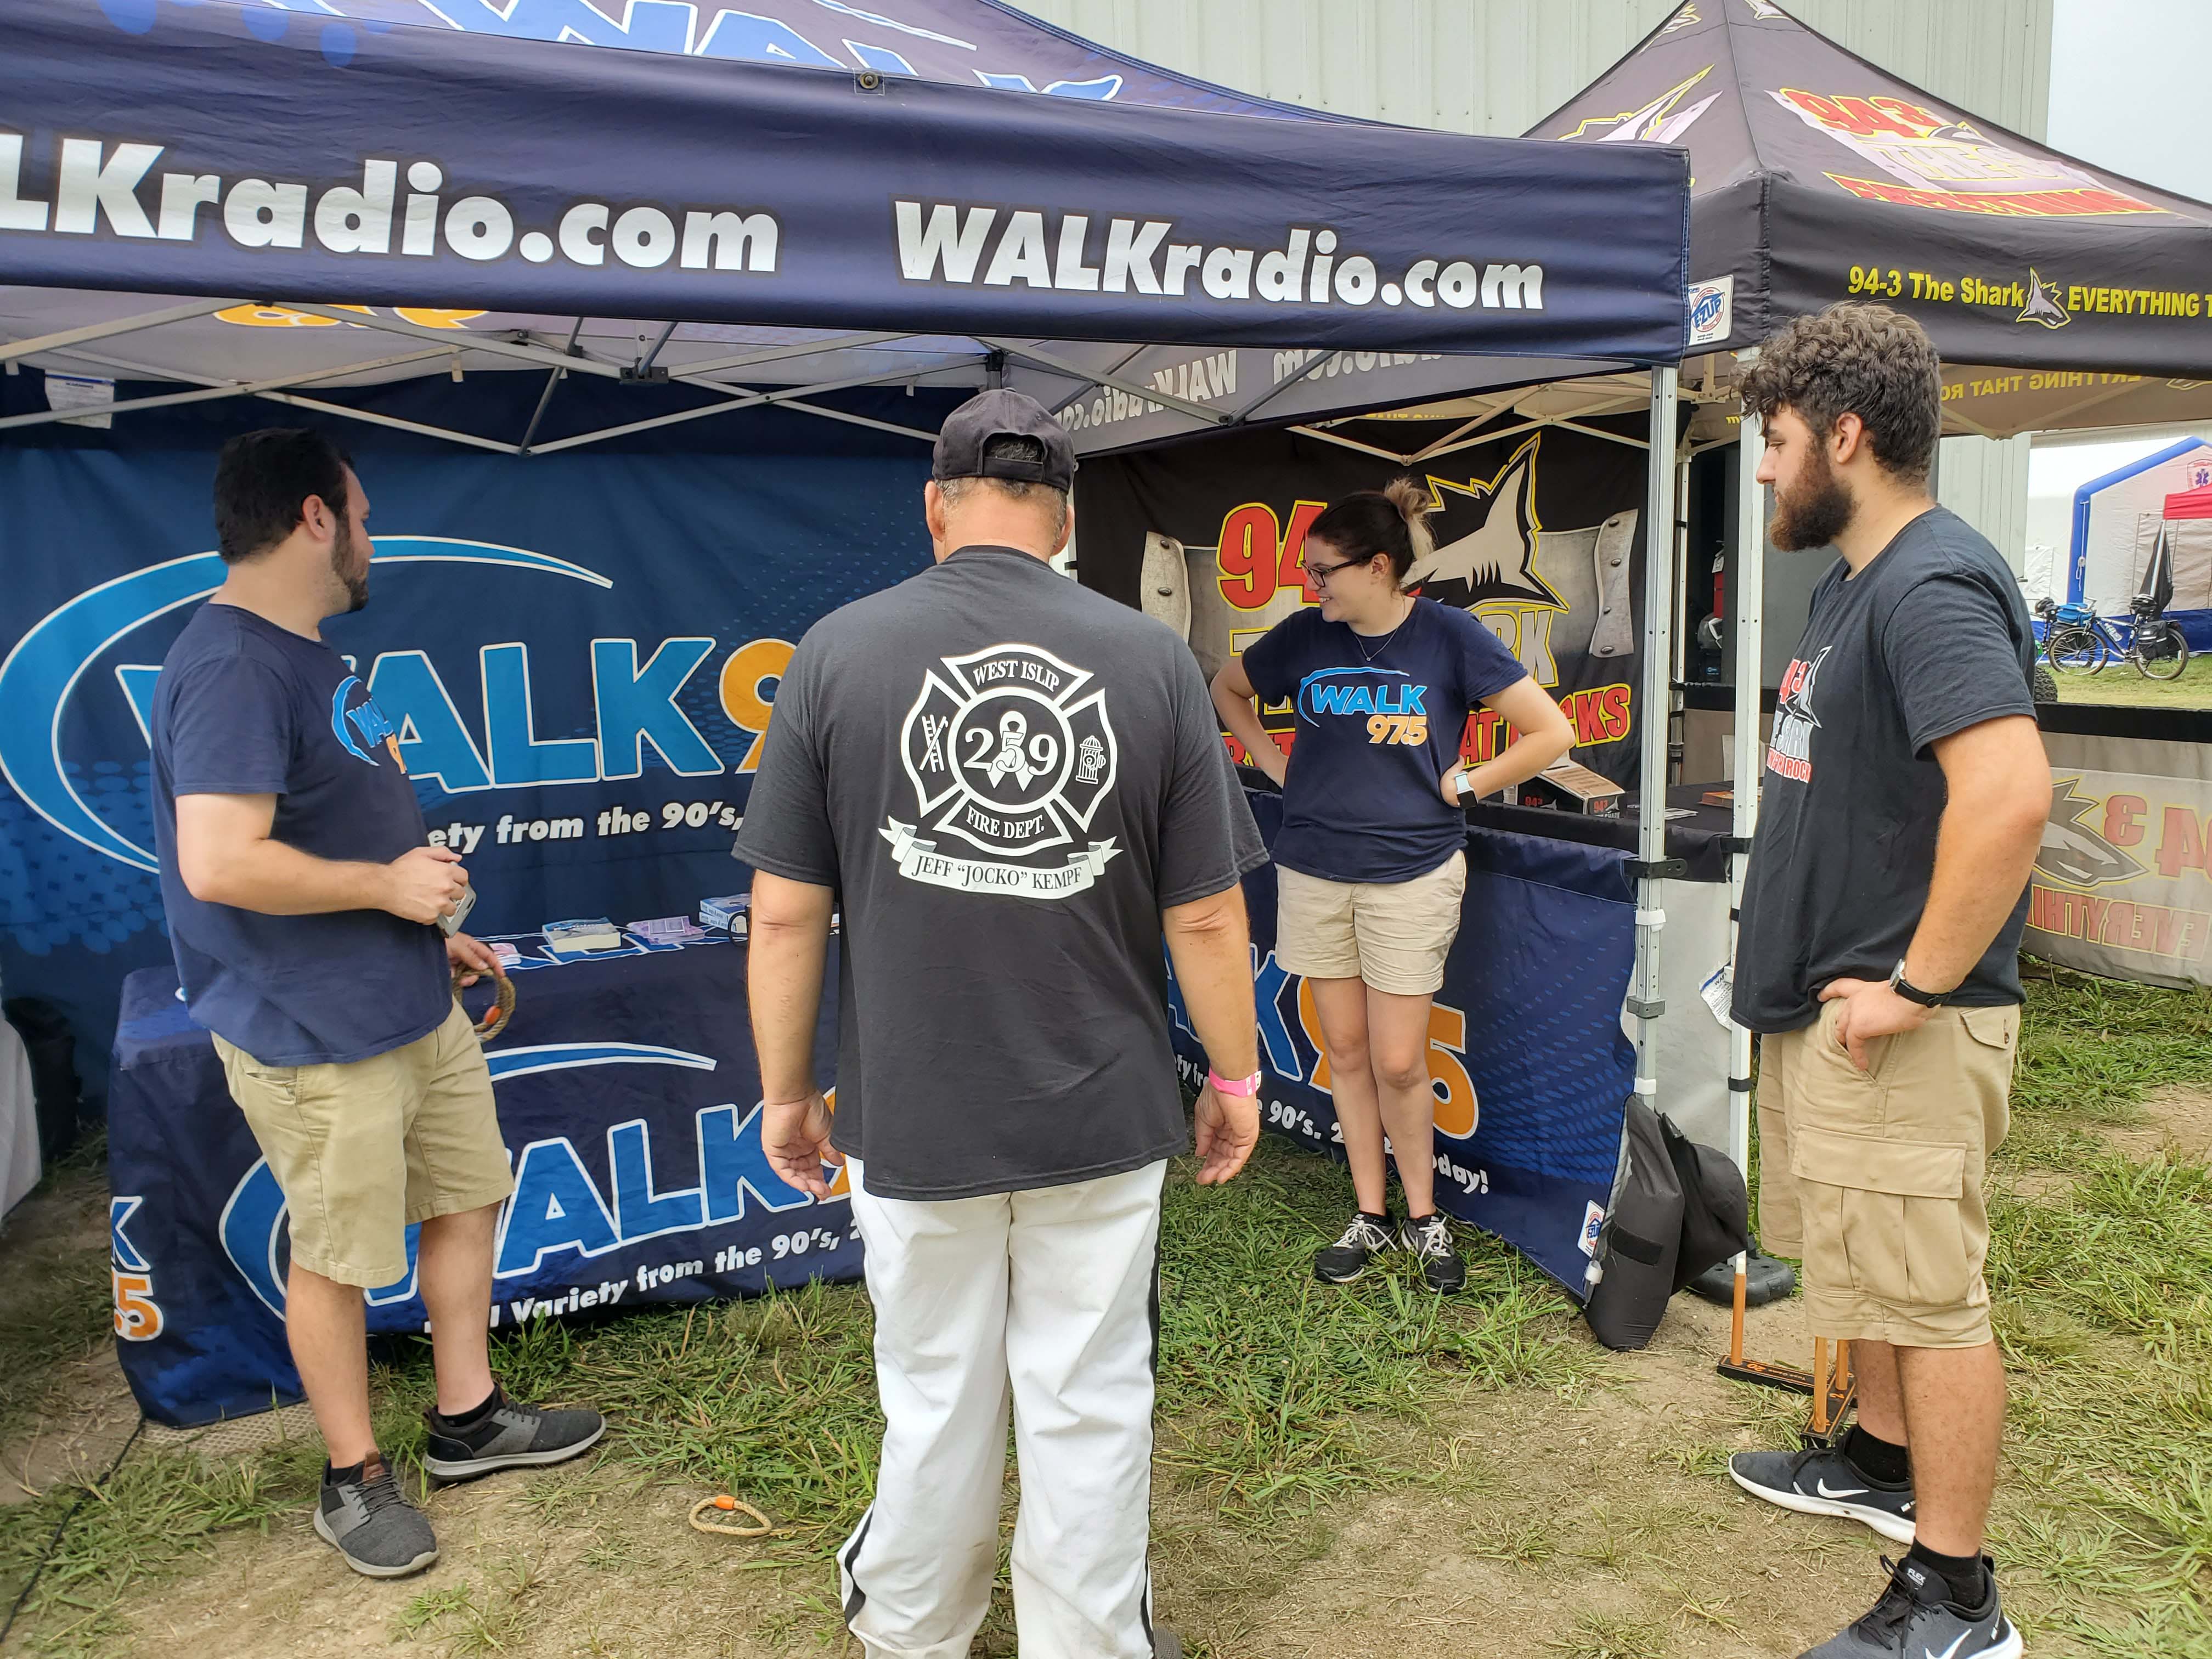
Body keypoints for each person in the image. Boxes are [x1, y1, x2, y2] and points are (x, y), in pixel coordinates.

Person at [735, 388, 1267, 1659]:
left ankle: (915, 1628)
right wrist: (1237, 1081)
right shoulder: (1153, 661)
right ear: (1066, 520)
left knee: (933, 1391)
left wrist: (790, 1092)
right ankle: (1085, 1640)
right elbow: (1206, 917)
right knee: (1090, 1396)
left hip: (914, 1110)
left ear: (935, 508)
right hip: (1099, 1108)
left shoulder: (837, 654)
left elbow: (783, 916)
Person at [150, 428, 603, 1580]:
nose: (370, 536)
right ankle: (351, 1477)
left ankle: (468, 1419)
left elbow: (328, 828)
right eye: (360, 514)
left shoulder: (301, 653)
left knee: (466, 1197)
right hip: (315, 1030)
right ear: (315, 517)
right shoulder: (234, 664)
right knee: (338, 1254)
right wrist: (388, 888)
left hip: (405, 997)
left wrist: (423, 929)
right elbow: (219, 861)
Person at [1724, 306, 2046, 1659]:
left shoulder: (1930, 584)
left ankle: (1958, 1598)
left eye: (1775, 438)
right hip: (1833, 1009)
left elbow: (2010, 796)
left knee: (1931, 1297)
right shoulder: (1858, 579)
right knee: (1871, 1271)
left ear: (1845, 436)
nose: (1760, 465)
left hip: (1902, 1026)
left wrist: (1914, 987)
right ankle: (1879, 1459)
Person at [1210, 481, 1575, 1292]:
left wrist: (1468, 782)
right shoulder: (1304, 636)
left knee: (1401, 1060)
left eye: (1324, 571)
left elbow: (1552, 730)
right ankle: (1371, 1214)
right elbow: (1228, 689)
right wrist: (1274, 764)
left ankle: (1424, 1215)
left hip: (1414, 874)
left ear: (1379, 566)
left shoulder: (1449, 635)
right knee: (1344, 1051)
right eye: (1308, 572)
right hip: (1314, 868)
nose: (1311, 585)